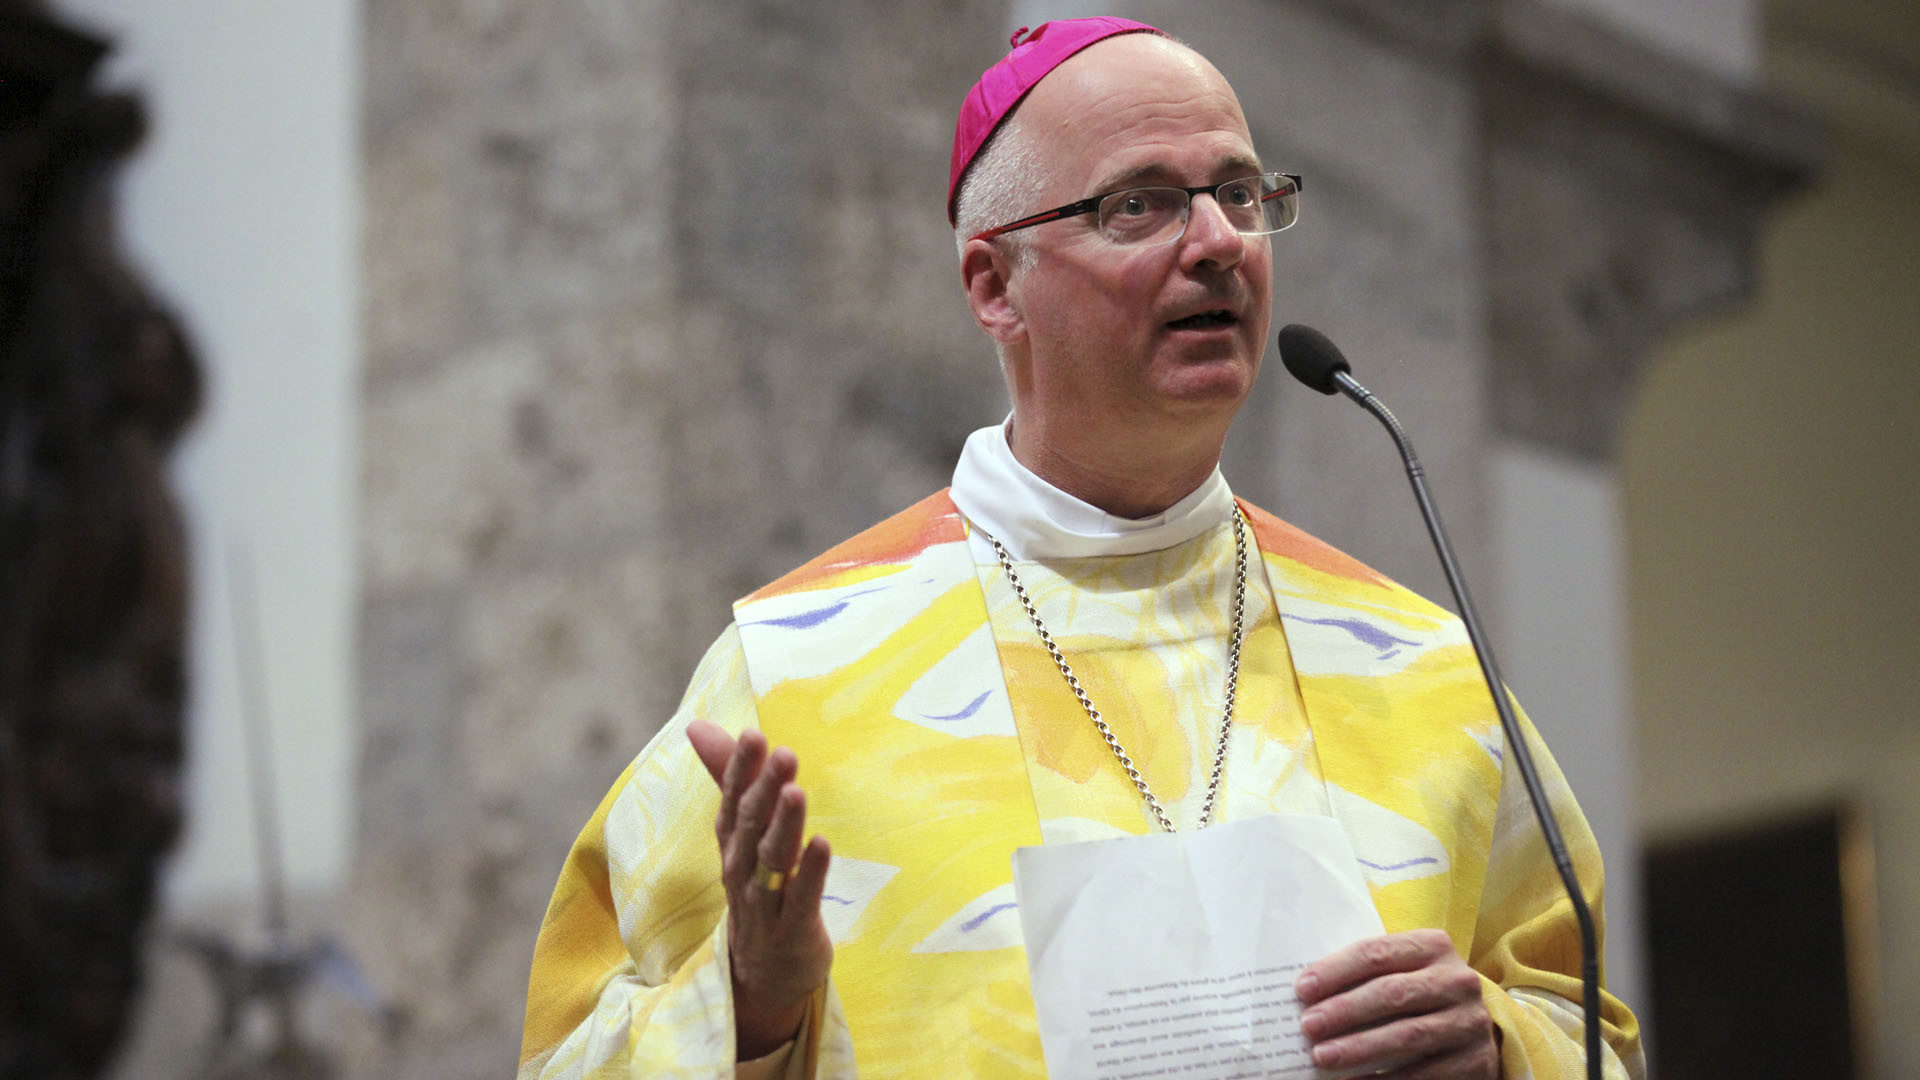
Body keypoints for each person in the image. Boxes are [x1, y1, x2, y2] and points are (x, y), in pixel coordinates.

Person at [518, 17, 1644, 1080]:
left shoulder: (1417, 664)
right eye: (1140, 206)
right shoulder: (795, 669)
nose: (1218, 243)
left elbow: (1587, 1024)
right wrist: (752, 1004)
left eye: (1242, 195)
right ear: (994, 285)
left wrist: (1499, 1049)